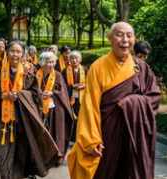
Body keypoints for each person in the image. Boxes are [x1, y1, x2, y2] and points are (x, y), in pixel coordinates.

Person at [67, 22, 161, 179]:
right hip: (106, 136)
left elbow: (154, 97)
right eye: (119, 34)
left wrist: (133, 102)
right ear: (110, 38)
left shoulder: (141, 67)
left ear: (134, 39)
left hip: (134, 136)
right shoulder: (98, 67)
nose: (125, 40)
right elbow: (90, 105)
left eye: (129, 35)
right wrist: (90, 140)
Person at [0, 41, 61, 179]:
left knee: (22, 155)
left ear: (23, 54)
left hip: (23, 122)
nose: (15, 55)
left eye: (18, 52)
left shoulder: (29, 72)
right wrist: (3, 95)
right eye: (12, 51)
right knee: (3, 156)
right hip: (3, 121)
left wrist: (20, 95)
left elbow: (36, 95)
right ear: (7, 52)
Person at [36, 51, 74, 165]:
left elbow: (62, 91)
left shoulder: (57, 75)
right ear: (42, 63)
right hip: (40, 107)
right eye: (48, 62)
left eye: (53, 62)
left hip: (56, 108)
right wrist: (39, 93)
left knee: (55, 132)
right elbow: (32, 88)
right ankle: (42, 156)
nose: (51, 64)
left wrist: (52, 93)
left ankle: (56, 156)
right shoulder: (36, 74)